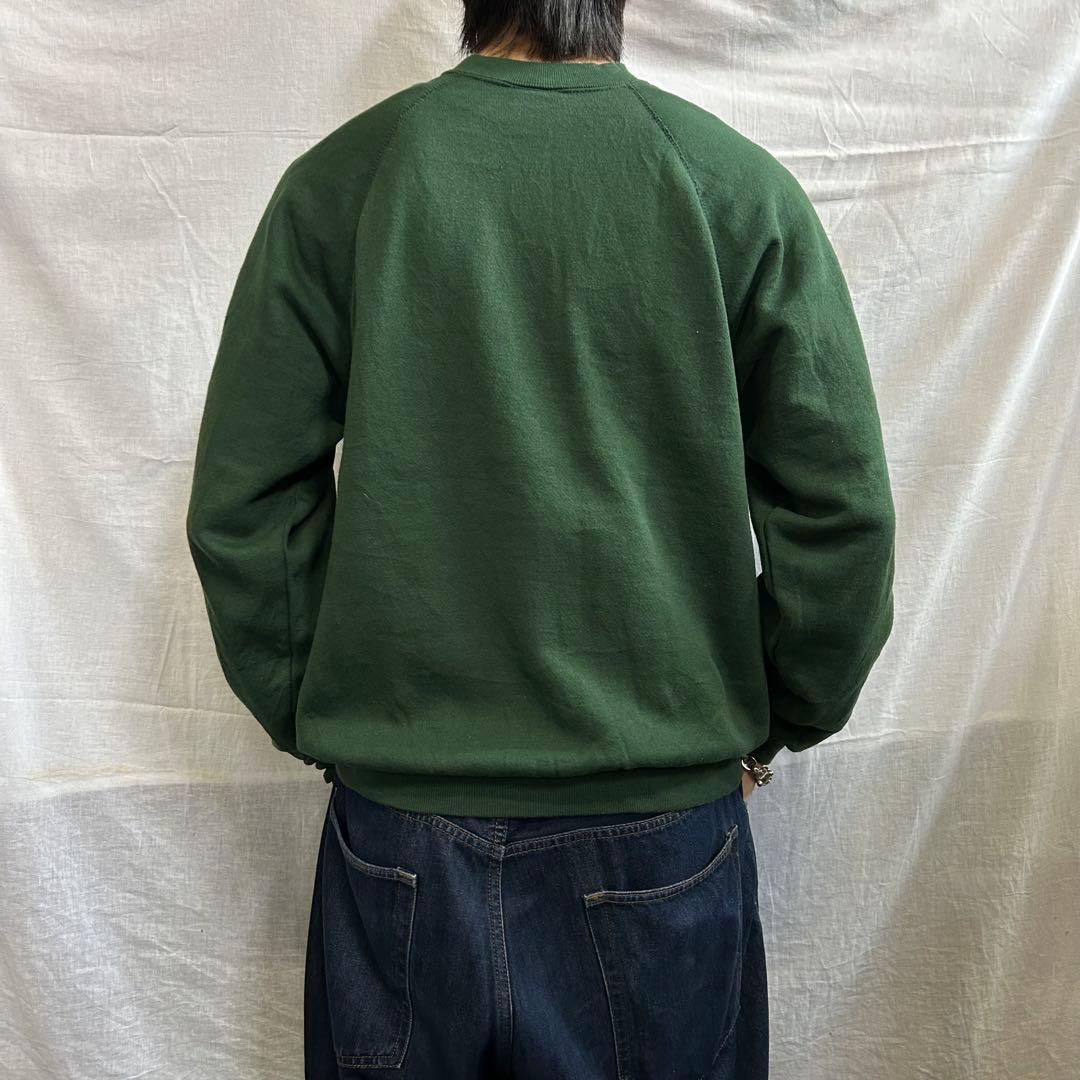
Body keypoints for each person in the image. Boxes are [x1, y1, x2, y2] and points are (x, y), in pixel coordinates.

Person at [185, 2, 896, 1077]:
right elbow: (840, 515)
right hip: (657, 830)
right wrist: (774, 719)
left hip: (401, 823)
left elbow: (246, 502)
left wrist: (328, 707)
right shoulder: (734, 190)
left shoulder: (343, 183)